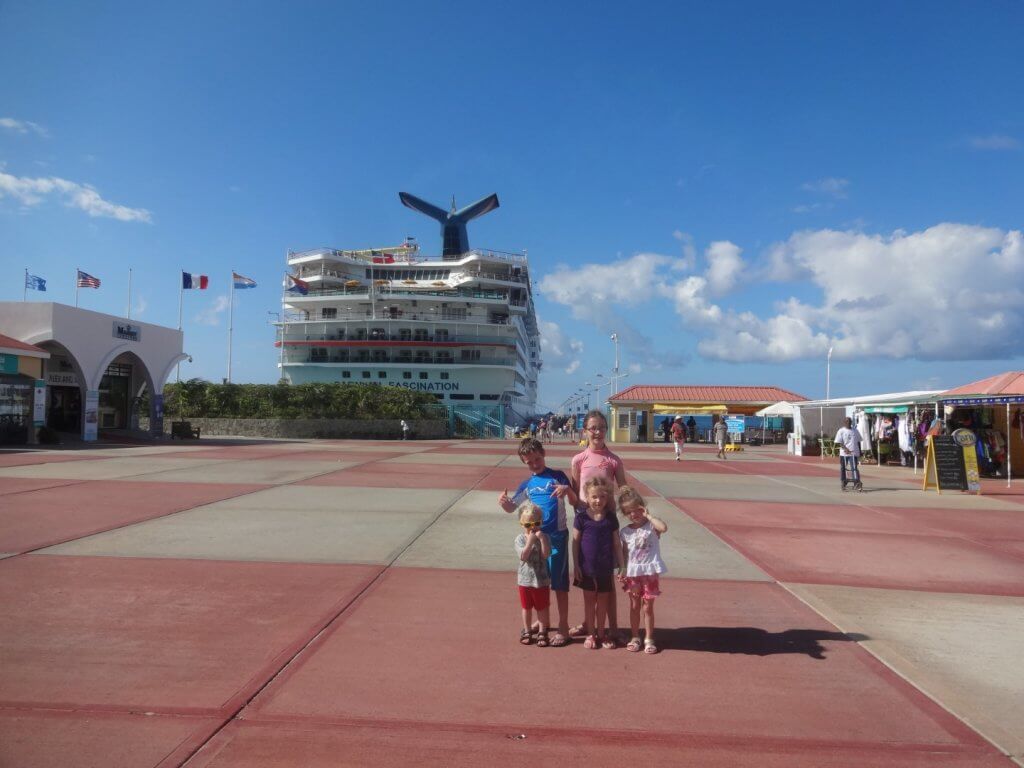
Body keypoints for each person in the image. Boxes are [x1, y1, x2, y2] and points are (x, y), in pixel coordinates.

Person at [499, 437, 577, 646]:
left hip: (557, 536)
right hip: (535, 538)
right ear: (524, 463)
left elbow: (574, 500)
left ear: (543, 454)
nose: (534, 464)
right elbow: (512, 508)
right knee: (538, 581)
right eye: (529, 462)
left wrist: (567, 490)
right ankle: (544, 619)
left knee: (559, 584)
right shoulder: (527, 484)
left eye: (537, 459)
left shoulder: (557, 476)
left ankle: (563, 626)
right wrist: (504, 503)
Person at [570, 409, 627, 641]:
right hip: (586, 526)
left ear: (606, 430)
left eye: (601, 428)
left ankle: (612, 628)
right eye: (593, 428)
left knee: (606, 581)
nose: (597, 432)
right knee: (588, 578)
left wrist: (639, 512)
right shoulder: (578, 459)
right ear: (585, 431)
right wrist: (566, 494)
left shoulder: (613, 460)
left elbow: (623, 489)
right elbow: (575, 494)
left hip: (607, 526)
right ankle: (589, 624)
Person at [572, 476, 624, 649]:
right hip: (586, 568)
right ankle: (591, 634)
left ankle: (602, 635)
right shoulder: (581, 518)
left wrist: (622, 565)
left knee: (602, 603)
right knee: (589, 603)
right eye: (594, 497)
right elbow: (575, 542)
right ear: (587, 497)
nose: (598, 500)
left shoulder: (610, 518)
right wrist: (576, 565)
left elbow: (617, 543)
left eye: (602, 497)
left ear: (607, 498)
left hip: (605, 569)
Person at [616, 486, 668, 654]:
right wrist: (622, 570)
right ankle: (635, 636)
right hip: (633, 573)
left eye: (636, 510)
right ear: (625, 514)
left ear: (642, 507)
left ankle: (649, 638)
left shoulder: (651, 527)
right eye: (628, 512)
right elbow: (624, 553)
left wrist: (649, 516)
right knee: (634, 605)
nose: (633, 514)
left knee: (648, 607)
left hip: (649, 573)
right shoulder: (625, 532)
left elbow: (663, 528)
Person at [513, 501, 552, 646]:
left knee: (541, 607)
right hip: (525, 580)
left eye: (536, 523)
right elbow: (523, 556)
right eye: (528, 525)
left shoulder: (545, 537)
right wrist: (530, 542)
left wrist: (541, 539)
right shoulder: (520, 539)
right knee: (526, 607)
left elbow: (546, 554)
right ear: (522, 524)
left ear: (541, 522)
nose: (533, 528)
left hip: (541, 580)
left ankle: (542, 631)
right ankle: (527, 629)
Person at [834, 416, 863, 491]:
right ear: (844, 422)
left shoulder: (855, 431)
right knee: (843, 467)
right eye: (847, 422)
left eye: (850, 422)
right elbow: (839, 442)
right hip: (844, 453)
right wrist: (845, 449)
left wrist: (860, 452)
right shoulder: (841, 431)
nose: (848, 423)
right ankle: (843, 481)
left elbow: (858, 441)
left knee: (854, 468)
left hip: (853, 452)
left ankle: (856, 482)